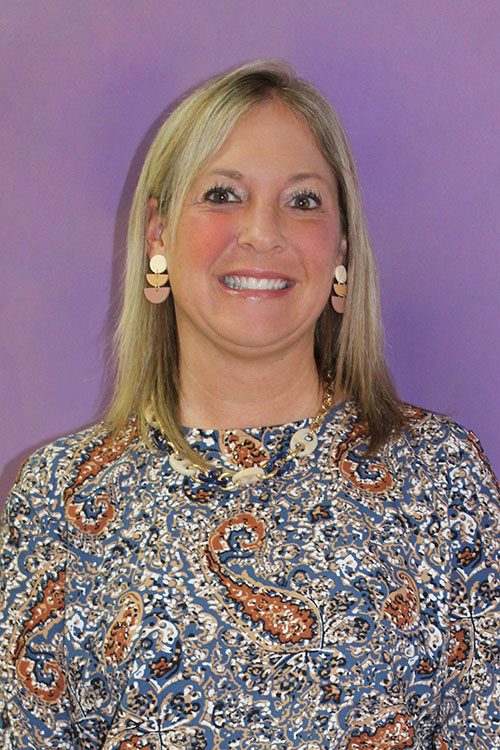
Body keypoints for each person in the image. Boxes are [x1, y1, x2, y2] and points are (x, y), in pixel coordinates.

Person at [1, 60, 499, 750]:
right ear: (157, 237)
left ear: (341, 252)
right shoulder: (61, 495)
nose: (263, 233)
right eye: (223, 193)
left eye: (302, 202)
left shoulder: (441, 475)